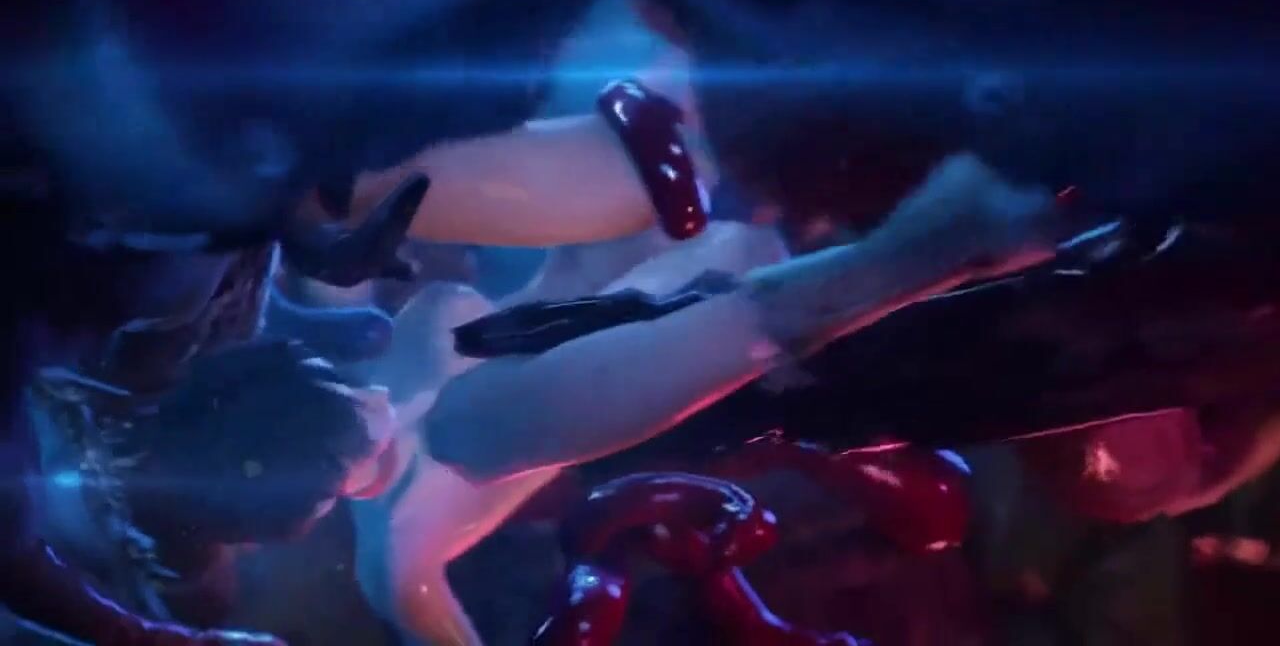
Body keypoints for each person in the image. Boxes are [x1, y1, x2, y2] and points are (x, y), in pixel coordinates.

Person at [344, 154, 1059, 645]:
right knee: (467, 428)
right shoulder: (400, 550)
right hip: (664, 345)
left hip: (670, 265)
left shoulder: (378, 347)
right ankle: (943, 245)